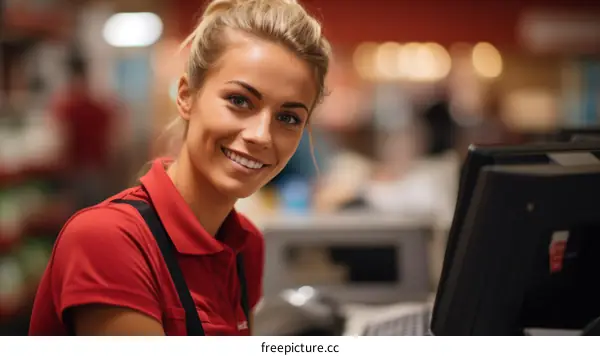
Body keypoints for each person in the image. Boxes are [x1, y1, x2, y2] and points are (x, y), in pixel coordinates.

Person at [29, 0, 331, 336]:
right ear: (187, 95)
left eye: (288, 118)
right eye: (239, 100)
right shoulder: (107, 241)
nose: (261, 136)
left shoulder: (247, 246)